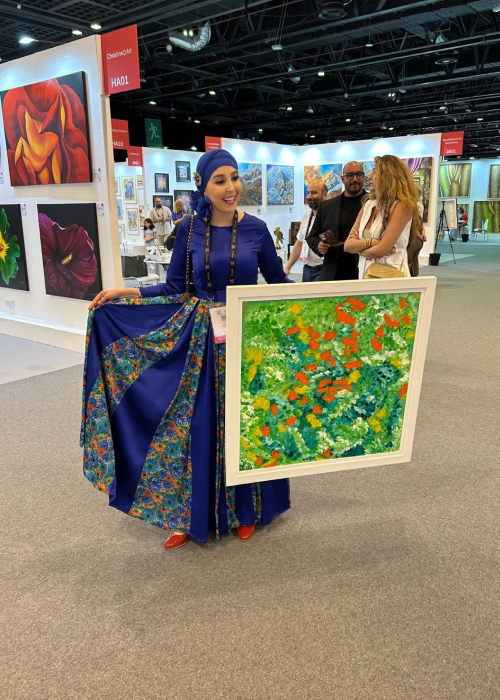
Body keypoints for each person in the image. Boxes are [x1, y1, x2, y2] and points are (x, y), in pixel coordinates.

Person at [86, 149, 292, 550]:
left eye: (235, 177)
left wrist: (324, 298)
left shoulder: (257, 229)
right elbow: (174, 286)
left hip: (247, 340)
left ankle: (246, 510)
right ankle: (186, 512)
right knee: (192, 425)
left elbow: (278, 281)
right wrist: (128, 292)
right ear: (204, 187)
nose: (231, 188)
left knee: (246, 422)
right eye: (220, 180)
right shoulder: (189, 228)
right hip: (200, 344)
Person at [344, 155, 420, 278]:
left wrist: (359, 249)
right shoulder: (368, 205)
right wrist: (372, 242)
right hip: (365, 275)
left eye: (374, 172)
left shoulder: (402, 206)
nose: (369, 177)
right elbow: (347, 246)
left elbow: (381, 250)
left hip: (390, 277)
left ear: (388, 176)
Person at [307, 161, 366, 280]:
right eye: (350, 175)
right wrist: (319, 246)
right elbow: (312, 237)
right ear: (342, 179)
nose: (355, 179)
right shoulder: (326, 207)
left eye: (359, 174)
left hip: (363, 271)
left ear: (363, 177)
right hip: (333, 273)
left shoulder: (373, 204)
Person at [284, 180, 327, 281]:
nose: (309, 196)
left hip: (324, 269)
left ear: (324, 195)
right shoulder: (307, 216)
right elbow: (299, 244)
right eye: (308, 193)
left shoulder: (330, 217)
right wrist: (287, 268)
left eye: (314, 193)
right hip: (307, 269)